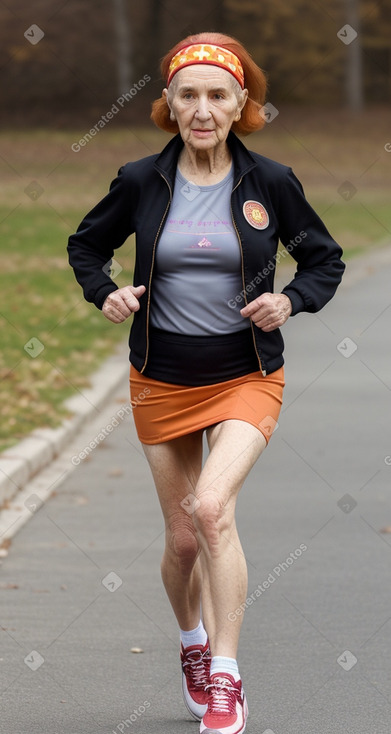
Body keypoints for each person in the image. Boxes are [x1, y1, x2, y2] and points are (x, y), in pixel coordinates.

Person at [67, 31, 345, 734]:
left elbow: (321, 260)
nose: (201, 108)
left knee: (211, 508)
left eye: (216, 95)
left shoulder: (270, 182)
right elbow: (86, 244)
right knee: (182, 539)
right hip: (160, 375)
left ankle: (226, 674)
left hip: (245, 372)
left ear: (240, 104)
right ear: (167, 103)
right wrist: (104, 292)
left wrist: (291, 300)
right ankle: (191, 644)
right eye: (187, 94)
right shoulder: (139, 180)